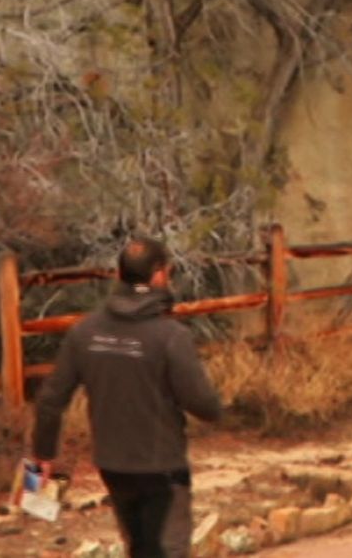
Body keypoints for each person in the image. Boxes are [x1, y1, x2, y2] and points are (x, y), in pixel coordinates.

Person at [32, 237, 222, 558]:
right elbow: (205, 405)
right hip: (162, 467)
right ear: (160, 275)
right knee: (166, 549)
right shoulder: (171, 337)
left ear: (118, 276)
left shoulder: (85, 333)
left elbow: (50, 400)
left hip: (113, 465)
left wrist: (42, 457)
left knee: (140, 548)